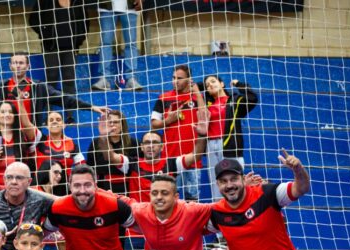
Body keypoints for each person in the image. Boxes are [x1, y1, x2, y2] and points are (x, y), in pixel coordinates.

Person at [122, 174, 213, 250]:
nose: (159, 197)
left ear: (176, 197)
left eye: (164, 193)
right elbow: (117, 200)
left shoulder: (192, 211)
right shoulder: (142, 211)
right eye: (155, 193)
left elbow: (222, 208)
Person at [0, 52, 106, 127]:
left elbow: (64, 99)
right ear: (10, 66)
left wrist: (91, 107)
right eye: (15, 63)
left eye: (21, 63)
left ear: (28, 66)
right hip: (4, 135)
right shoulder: (1, 86)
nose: (18, 66)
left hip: (31, 136)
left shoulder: (38, 87)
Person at [97, 123, 207, 203]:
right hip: (138, 222)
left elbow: (195, 156)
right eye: (146, 143)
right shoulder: (131, 164)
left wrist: (202, 135)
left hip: (165, 220)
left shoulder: (172, 164)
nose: (150, 146)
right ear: (141, 147)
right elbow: (109, 156)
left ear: (162, 146)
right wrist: (103, 136)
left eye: (154, 142)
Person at [150, 65, 207, 201]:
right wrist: (169, 120)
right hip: (171, 159)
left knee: (192, 201)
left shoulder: (196, 98)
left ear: (189, 79)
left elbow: (205, 116)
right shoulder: (163, 98)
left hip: (193, 159)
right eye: (173, 78)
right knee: (171, 200)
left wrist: (197, 93)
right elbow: (153, 125)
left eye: (179, 78)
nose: (175, 81)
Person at [28, 0, 89, 123]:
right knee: (51, 77)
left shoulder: (78, 2)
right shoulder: (44, 2)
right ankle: (50, 115)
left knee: (69, 78)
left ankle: (70, 116)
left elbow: (85, 23)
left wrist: (79, 40)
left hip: (71, 47)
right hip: (51, 47)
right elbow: (33, 20)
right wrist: (45, 34)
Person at [203, 76, 258, 200]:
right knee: (215, 181)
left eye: (213, 81)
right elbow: (195, 87)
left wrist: (239, 84)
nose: (210, 85)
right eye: (207, 85)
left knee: (234, 181)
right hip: (211, 146)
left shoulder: (234, 100)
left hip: (230, 145)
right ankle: (219, 212)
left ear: (222, 84)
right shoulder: (206, 104)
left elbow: (253, 98)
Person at [0, 162, 53, 250]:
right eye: (9, 177)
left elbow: (59, 213)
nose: (14, 182)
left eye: (19, 178)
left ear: (29, 181)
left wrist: (42, 232)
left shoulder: (40, 201)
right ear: (4, 180)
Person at [0, 102, 39, 184]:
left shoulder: (24, 136)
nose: (7, 114)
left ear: (15, 116)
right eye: (3, 112)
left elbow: (27, 124)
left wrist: (20, 101)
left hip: (20, 187)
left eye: (10, 112)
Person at [92, 0, 143, 91]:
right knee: (105, 43)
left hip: (130, 6)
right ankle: (104, 78)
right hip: (107, 7)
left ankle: (131, 79)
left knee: (131, 43)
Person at [85, 109, 136, 196]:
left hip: (127, 190)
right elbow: (90, 167)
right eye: (109, 122)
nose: (112, 125)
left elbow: (136, 168)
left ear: (122, 125)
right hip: (102, 189)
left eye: (116, 122)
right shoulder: (96, 143)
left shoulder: (134, 143)